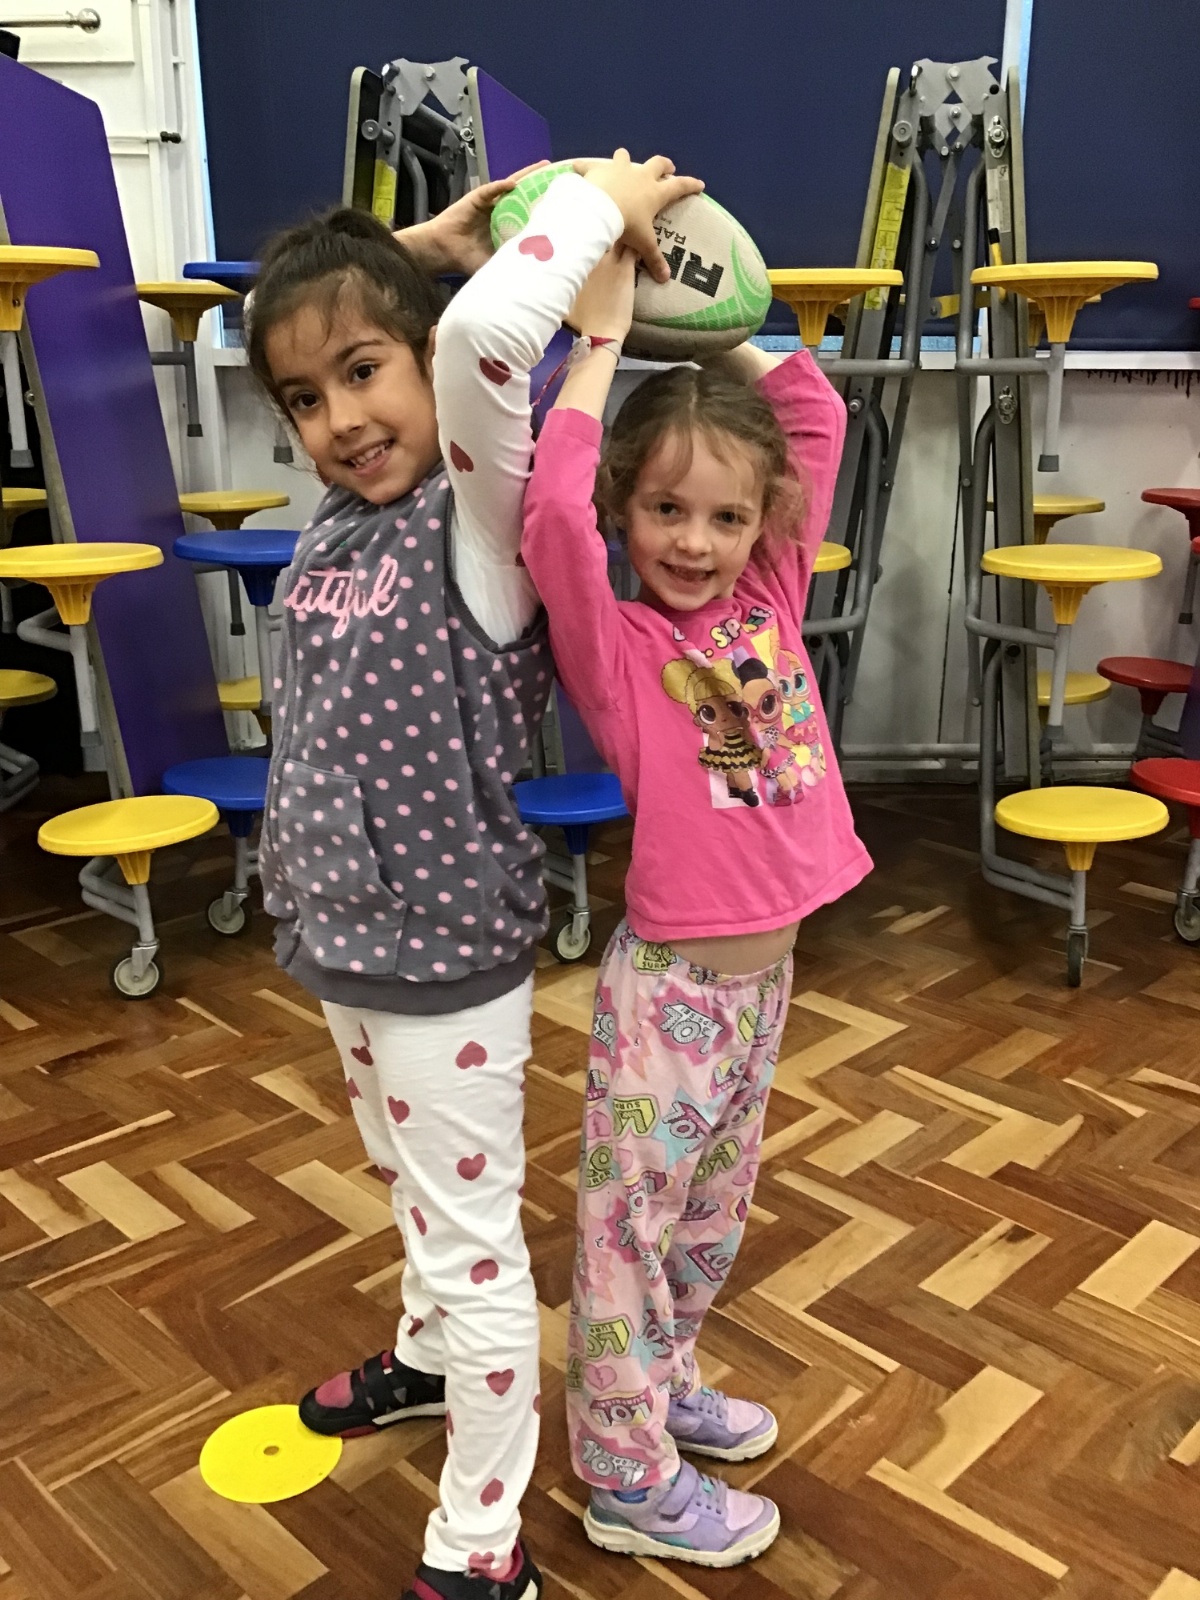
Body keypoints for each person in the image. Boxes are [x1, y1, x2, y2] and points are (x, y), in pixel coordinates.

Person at [245, 153, 701, 1600]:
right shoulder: (346, 511)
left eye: (362, 375)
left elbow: (487, 338)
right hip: (343, 937)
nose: (337, 421)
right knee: (407, 1191)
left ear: (427, 368)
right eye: (304, 400)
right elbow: (354, 329)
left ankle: (480, 1546)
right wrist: (404, 253)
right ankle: (430, 1357)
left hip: (443, 959)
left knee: (473, 1244)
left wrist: (602, 201)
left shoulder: (477, 511)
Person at [521, 206, 872, 1567]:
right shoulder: (616, 646)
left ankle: (662, 1390)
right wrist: (606, 340)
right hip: (669, 997)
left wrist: (713, 304)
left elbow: (814, 416)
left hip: (764, 987)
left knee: (709, 1225)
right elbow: (554, 518)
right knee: (628, 1235)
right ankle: (623, 1473)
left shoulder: (767, 597)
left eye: (724, 515)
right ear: (628, 512)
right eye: (665, 510)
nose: (694, 539)